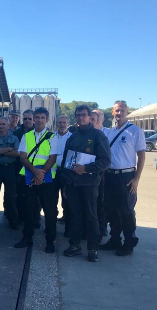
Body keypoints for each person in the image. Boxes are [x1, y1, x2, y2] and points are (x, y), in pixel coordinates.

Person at [61, 105, 111, 262]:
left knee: (90, 216)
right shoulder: (72, 137)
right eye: (78, 115)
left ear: (90, 117)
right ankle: (75, 245)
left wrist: (86, 168)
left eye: (83, 115)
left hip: (89, 184)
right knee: (75, 215)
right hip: (73, 184)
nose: (80, 118)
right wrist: (65, 184)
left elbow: (105, 161)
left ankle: (92, 248)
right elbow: (65, 162)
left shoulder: (98, 136)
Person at [100, 100, 146, 256]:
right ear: (112, 113)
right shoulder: (109, 132)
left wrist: (137, 178)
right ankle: (114, 240)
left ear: (127, 112)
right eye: (116, 110)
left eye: (122, 110)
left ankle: (129, 242)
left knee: (126, 211)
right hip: (110, 176)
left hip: (126, 176)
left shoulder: (135, 131)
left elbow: (141, 156)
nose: (119, 113)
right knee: (111, 210)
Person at [14, 107, 59, 253]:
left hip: (47, 180)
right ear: (33, 119)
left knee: (50, 212)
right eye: (37, 117)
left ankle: (50, 241)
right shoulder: (26, 136)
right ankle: (27, 238)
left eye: (42, 117)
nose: (39, 120)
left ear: (47, 119)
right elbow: (22, 157)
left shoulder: (53, 137)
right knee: (29, 210)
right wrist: (35, 172)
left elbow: (52, 158)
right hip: (30, 177)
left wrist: (41, 174)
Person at [0, 117, 20, 229]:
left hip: (9, 169)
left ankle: (13, 220)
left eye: (3, 124)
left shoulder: (14, 138)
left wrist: (1, 152)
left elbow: (17, 153)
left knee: (10, 196)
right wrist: (8, 149)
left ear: (7, 125)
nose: (1, 126)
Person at [13, 109, 35, 226]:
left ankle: (35, 219)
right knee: (20, 194)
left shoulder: (38, 132)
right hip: (19, 168)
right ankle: (20, 217)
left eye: (29, 119)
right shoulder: (17, 132)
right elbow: (13, 149)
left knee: (34, 196)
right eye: (25, 118)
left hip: (33, 168)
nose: (27, 121)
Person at [91, 109, 109, 237]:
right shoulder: (82, 134)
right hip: (86, 174)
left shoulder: (105, 134)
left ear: (99, 120)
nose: (90, 121)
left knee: (100, 202)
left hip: (101, 173)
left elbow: (106, 159)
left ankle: (102, 229)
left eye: (93, 119)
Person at [53, 116, 72, 236]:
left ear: (68, 123)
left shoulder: (72, 137)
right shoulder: (51, 137)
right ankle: (51, 224)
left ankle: (68, 227)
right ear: (56, 124)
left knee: (67, 199)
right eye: (59, 122)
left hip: (67, 172)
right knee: (52, 198)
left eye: (64, 122)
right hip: (53, 171)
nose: (62, 124)